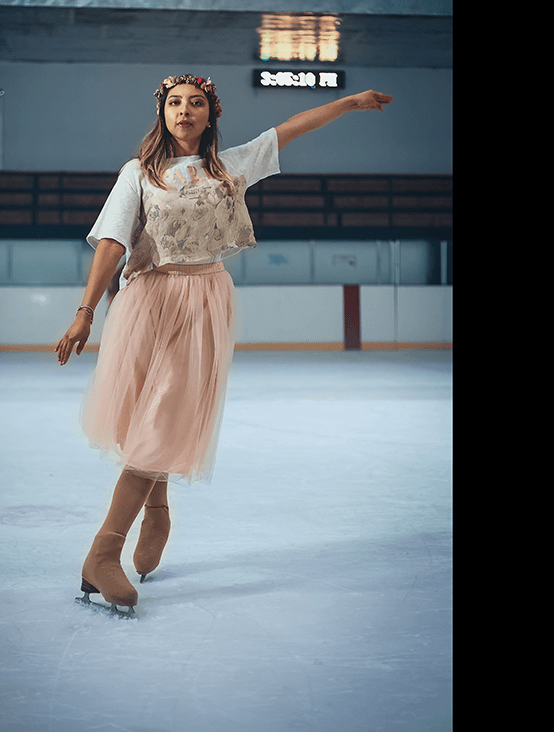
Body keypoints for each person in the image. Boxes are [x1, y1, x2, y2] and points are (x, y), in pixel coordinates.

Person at [56, 74, 393, 616]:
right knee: (152, 414)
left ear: (210, 114)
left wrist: (349, 103)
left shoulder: (231, 165)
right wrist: (85, 312)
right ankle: (122, 538)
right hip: (149, 299)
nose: (183, 110)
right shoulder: (138, 174)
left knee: (167, 413)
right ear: (161, 112)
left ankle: (126, 532)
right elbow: (114, 242)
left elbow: (289, 129)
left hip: (205, 297)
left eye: (195, 103)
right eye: (173, 103)